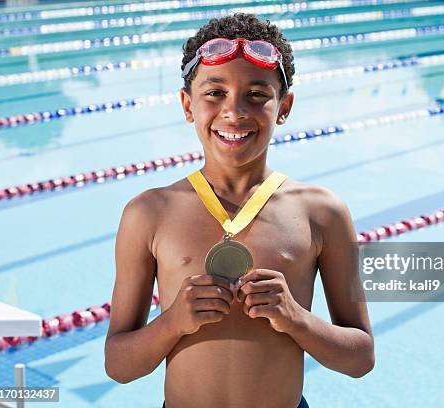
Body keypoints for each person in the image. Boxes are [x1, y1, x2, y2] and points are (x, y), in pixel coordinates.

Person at [104, 13, 374, 408]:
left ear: (284, 106)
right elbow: (118, 365)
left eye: (257, 94)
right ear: (187, 104)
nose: (235, 111)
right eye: (215, 93)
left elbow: (361, 358)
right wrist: (173, 321)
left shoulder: (322, 213)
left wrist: (297, 320)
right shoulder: (148, 214)